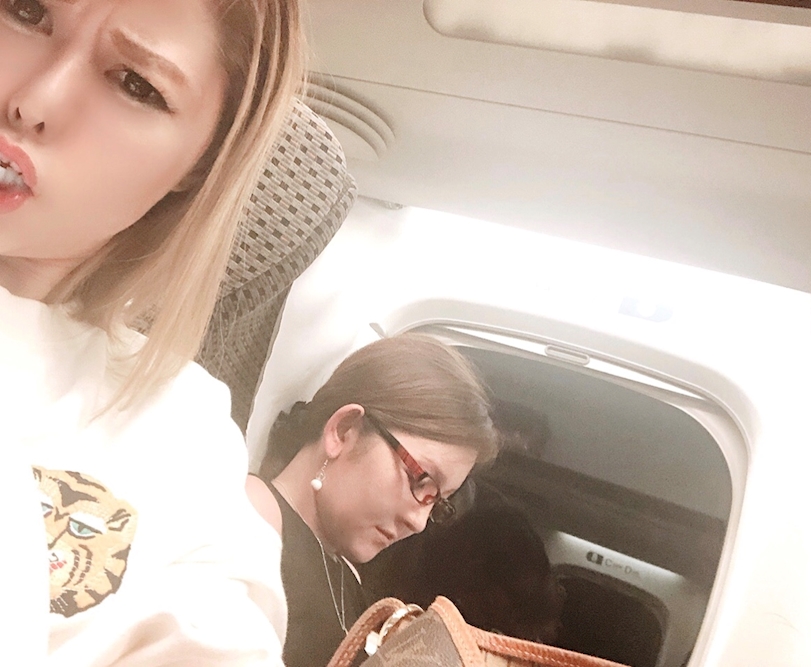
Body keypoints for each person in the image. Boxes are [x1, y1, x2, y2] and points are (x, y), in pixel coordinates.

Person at [1, 0, 304, 663]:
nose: (31, 101)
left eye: (136, 84)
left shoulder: (183, 434)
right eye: (24, 11)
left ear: (199, 164)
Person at [246, 334, 499, 667]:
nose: (419, 522)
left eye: (438, 504)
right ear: (343, 430)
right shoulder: (250, 519)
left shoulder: (347, 575)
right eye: (421, 480)